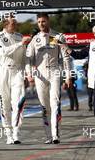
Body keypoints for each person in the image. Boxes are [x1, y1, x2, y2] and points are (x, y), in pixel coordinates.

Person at [26, 12, 72, 144]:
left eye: (43, 21)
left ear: (48, 21)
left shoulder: (58, 36)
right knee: (45, 107)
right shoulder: (35, 39)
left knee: (55, 103)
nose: (41, 24)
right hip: (40, 74)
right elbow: (29, 58)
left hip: (54, 72)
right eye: (39, 22)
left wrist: (68, 76)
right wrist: (29, 74)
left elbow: (66, 58)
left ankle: (55, 135)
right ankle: (48, 136)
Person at [0, 16, 29, 144]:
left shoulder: (20, 36)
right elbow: (4, 52)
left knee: (19, 102)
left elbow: (25, 58)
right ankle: (8, 134)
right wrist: (20, 44)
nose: (15, 24)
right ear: (6, 24)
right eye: (13, 23)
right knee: (5, 105)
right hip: (3, 72)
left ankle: (16, 132)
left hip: (17, 71)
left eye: (16, 22)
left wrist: (27, 74)